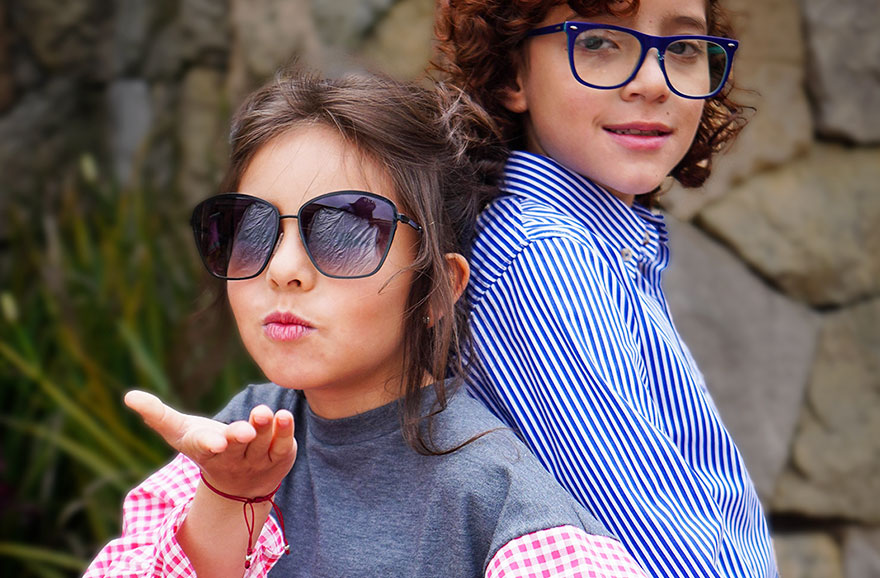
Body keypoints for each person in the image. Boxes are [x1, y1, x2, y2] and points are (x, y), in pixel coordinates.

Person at [82, 71, 651, 578]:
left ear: (437, 288)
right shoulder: (240, 437)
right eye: (249, 229)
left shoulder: (498, 502)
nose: (282, 270)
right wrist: (228, 496)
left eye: (345, 232)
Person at [434, 1, 779, 576]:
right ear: (511, 74)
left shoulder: (602, 250)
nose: (651, 81)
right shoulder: (542, 259)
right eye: (597, 42)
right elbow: (661, 549)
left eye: (685, 48)